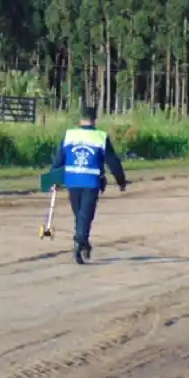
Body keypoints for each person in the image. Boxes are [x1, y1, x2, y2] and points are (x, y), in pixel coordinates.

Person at [50, 106, 128, 264]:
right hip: (91, 182)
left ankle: (81, 242)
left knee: (79, 214)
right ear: (94, 120)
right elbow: (112, 161)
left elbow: (59, 159)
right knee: (85, 215)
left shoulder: (69, 135)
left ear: (80, 119)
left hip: (72, 181)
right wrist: (121, 180)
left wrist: (53, 179)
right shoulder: (100, 137)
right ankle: (80, 241)